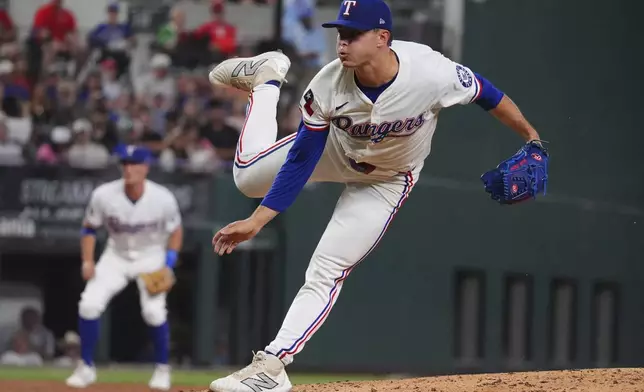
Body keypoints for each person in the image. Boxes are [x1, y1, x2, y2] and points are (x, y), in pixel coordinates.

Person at [206, 0, 547, 390]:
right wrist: (258, 219)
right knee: (247, 178)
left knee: (327, 269)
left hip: (386, 181)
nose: (342, 43)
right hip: (337, 149)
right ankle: (267, 80)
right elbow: (302, 158)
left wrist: (532, 139)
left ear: (383, 37)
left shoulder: (431, 72)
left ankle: (271, 367)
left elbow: (490, 95)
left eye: (353, 35)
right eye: (340, 34)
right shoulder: (327, 84)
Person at [65, 144, 183, 391]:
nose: (128, 169)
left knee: (154, 312)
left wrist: (169, 263)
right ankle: (86, 367)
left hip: (151, 257)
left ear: (146, 167)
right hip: (115, 256)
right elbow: (89, 227)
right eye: (125, 164)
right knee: (88, 304)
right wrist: (87, 260)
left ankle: (162, 370)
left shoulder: (162, 197)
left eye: (134, 164)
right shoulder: (104, 194)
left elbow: (176, 231)